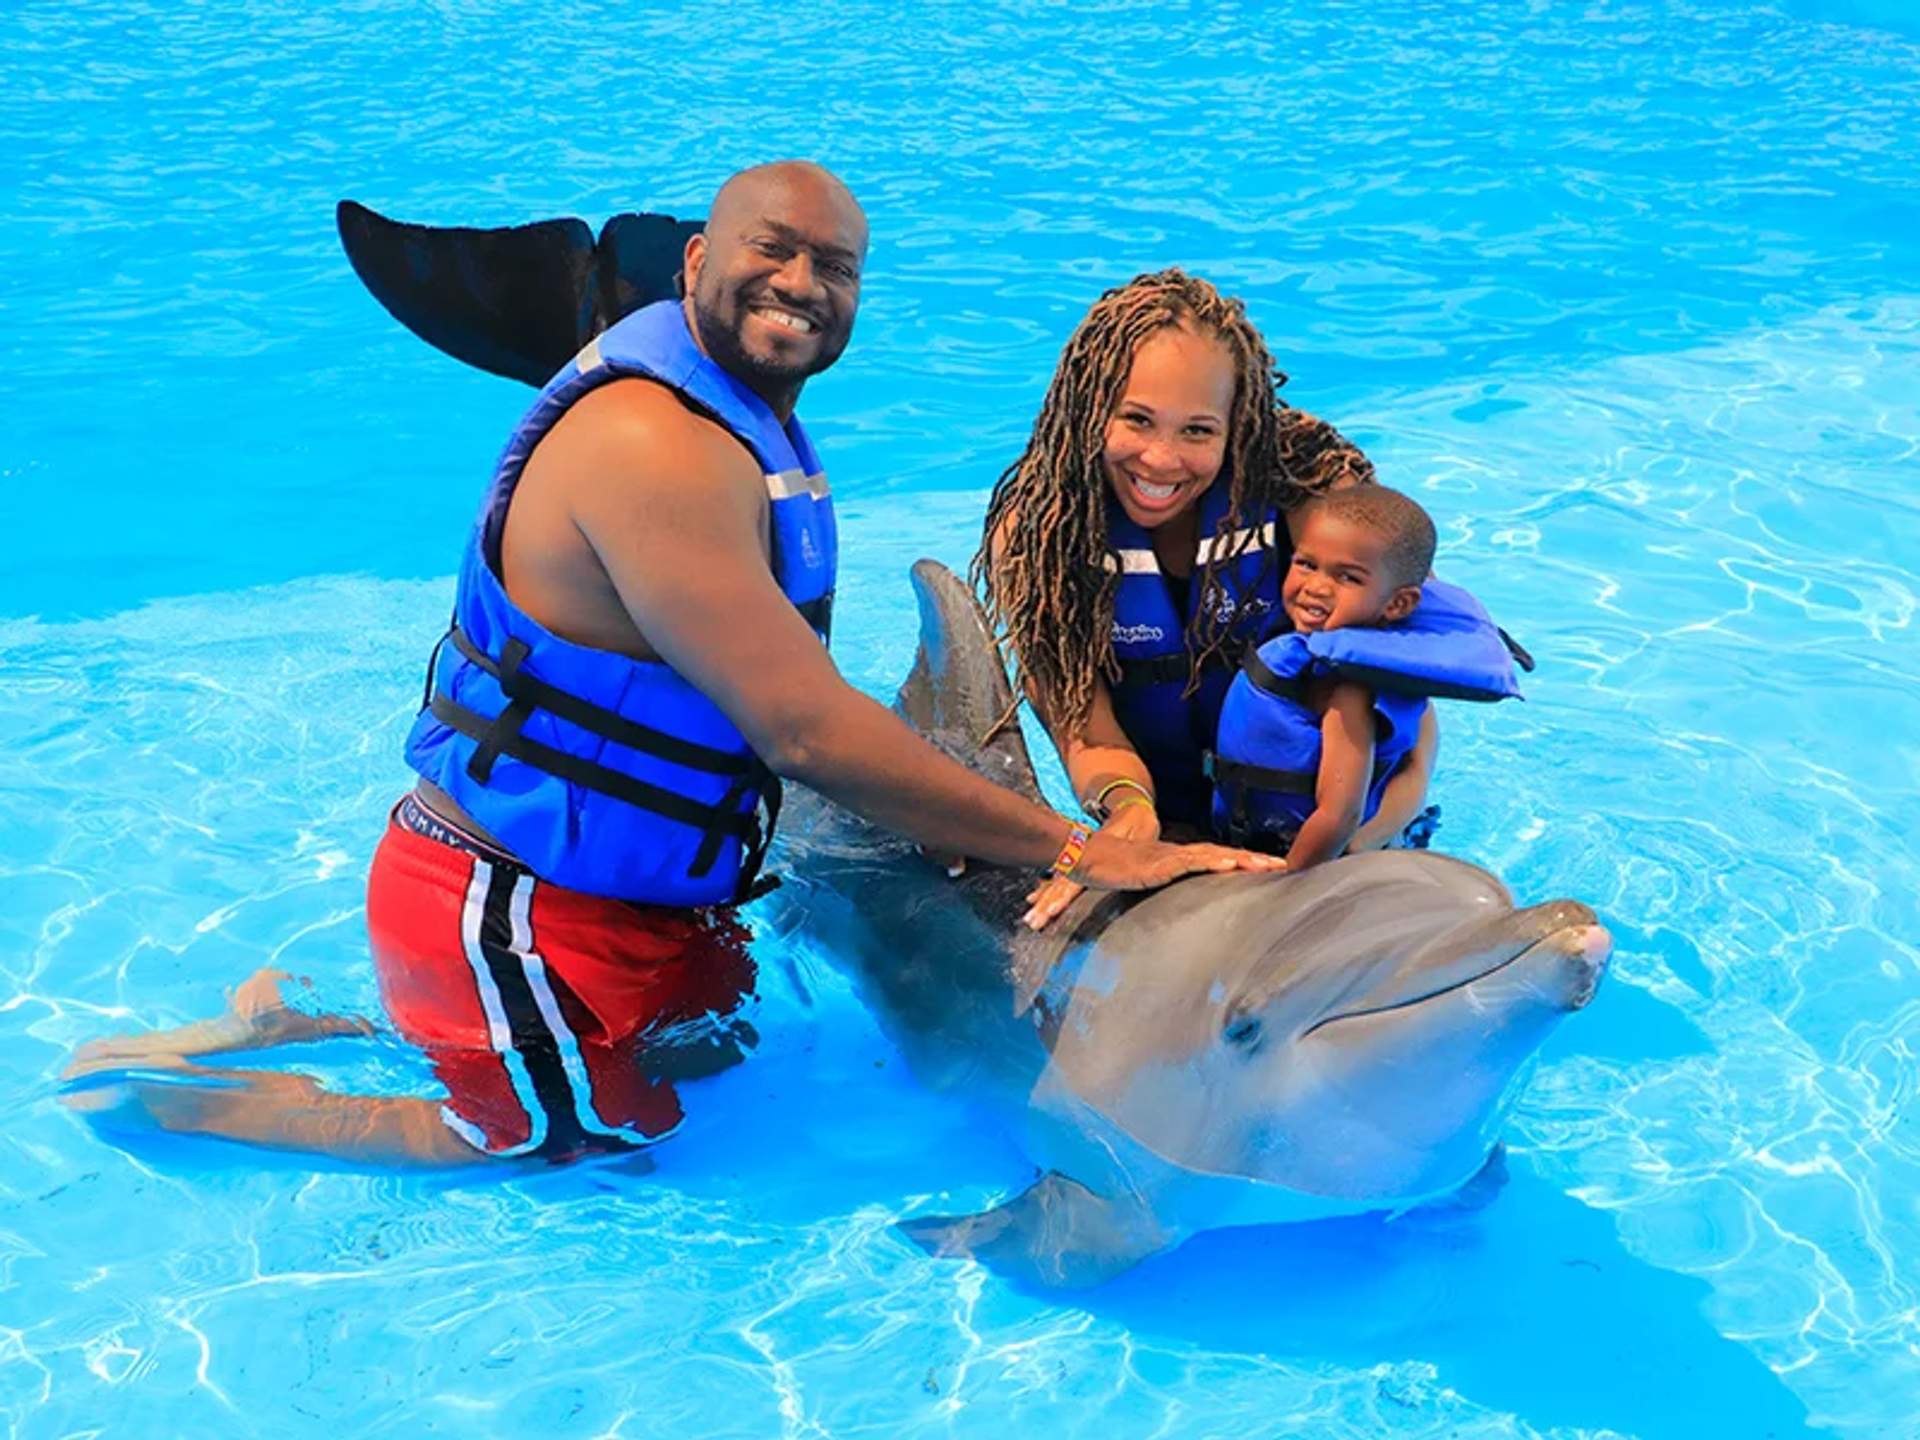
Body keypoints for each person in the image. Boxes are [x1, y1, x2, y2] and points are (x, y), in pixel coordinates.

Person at [64, 163, 1279, 1166]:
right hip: (508, 898)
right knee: (550, 1146)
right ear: (694, 261)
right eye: (774, 249)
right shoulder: (655, 445)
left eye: (836, 268)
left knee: (711, 1062)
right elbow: (803, 733)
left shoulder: (739, 422)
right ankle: (170, 1098)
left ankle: (292, 1018)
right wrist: (1080, 844)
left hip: (644, 890)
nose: (803, 284)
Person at [976, 269, 1438, 929]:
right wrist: (1131, 813)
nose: (1161, 460)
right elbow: (1085, 729)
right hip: (1171, 835)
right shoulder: (1043, 533)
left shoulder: (1303, 492)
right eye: (1136, 420)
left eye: (1198, 431)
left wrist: (1361, 841)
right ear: (1089, 412)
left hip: (1350, 825)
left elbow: (1403, 700)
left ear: (1238, 422)